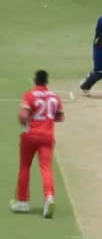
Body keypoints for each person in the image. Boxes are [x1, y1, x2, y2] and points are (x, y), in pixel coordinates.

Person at [10, 70, 64, 219]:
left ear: (35, 81)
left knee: (25, 167)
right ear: (47, 81)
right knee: (46, 167)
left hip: (31, 136)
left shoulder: (29, 95)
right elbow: (60, 117)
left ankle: (22, 202)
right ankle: (49, 197)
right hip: (47, 137)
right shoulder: (55, 97)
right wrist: (47, 119)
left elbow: (23, 116)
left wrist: (24, 122)